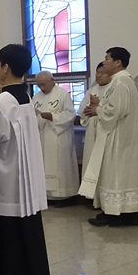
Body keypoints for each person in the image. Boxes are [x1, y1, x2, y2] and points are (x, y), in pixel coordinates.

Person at [0, 44, 50, 275]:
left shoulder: (2, 102)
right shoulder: (26, 97)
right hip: (24, 176)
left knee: (4, 226)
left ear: (6, 67)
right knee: (24, 225)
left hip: (5, 177)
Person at [81, 47, 138, 227]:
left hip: (119, 139)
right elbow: (115, 107)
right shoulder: (119, 81)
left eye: (107, 58)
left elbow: (115, 111)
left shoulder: (121, 82)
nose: (104, 62)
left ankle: (117, 214)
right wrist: (100, 105)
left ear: (117, 62)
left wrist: (97, 109)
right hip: (119, 136)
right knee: (118, 174)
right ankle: (119, 212)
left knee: (116, 174)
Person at [32, 71, 80, 204]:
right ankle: (46, 196)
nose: (42, 87)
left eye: (44, 84)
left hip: (59, 136)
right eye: (39, 85)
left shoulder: (62, 94)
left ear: (52, 80)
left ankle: (63, 196)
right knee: (44, 165)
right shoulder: (36, 97)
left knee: (60, 166)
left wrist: (52, 117)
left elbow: (70, 114)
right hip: (42, 136)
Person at [78, 63, 110, 174]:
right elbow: (81, 110)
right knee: (91, 160)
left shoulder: (113, 90)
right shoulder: (91, 91)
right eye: (97, 72)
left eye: (103, 73)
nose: (99, 75)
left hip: (106, 131)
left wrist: (98, 107)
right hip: (92, 131)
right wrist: (89, 108)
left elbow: (114, 111)